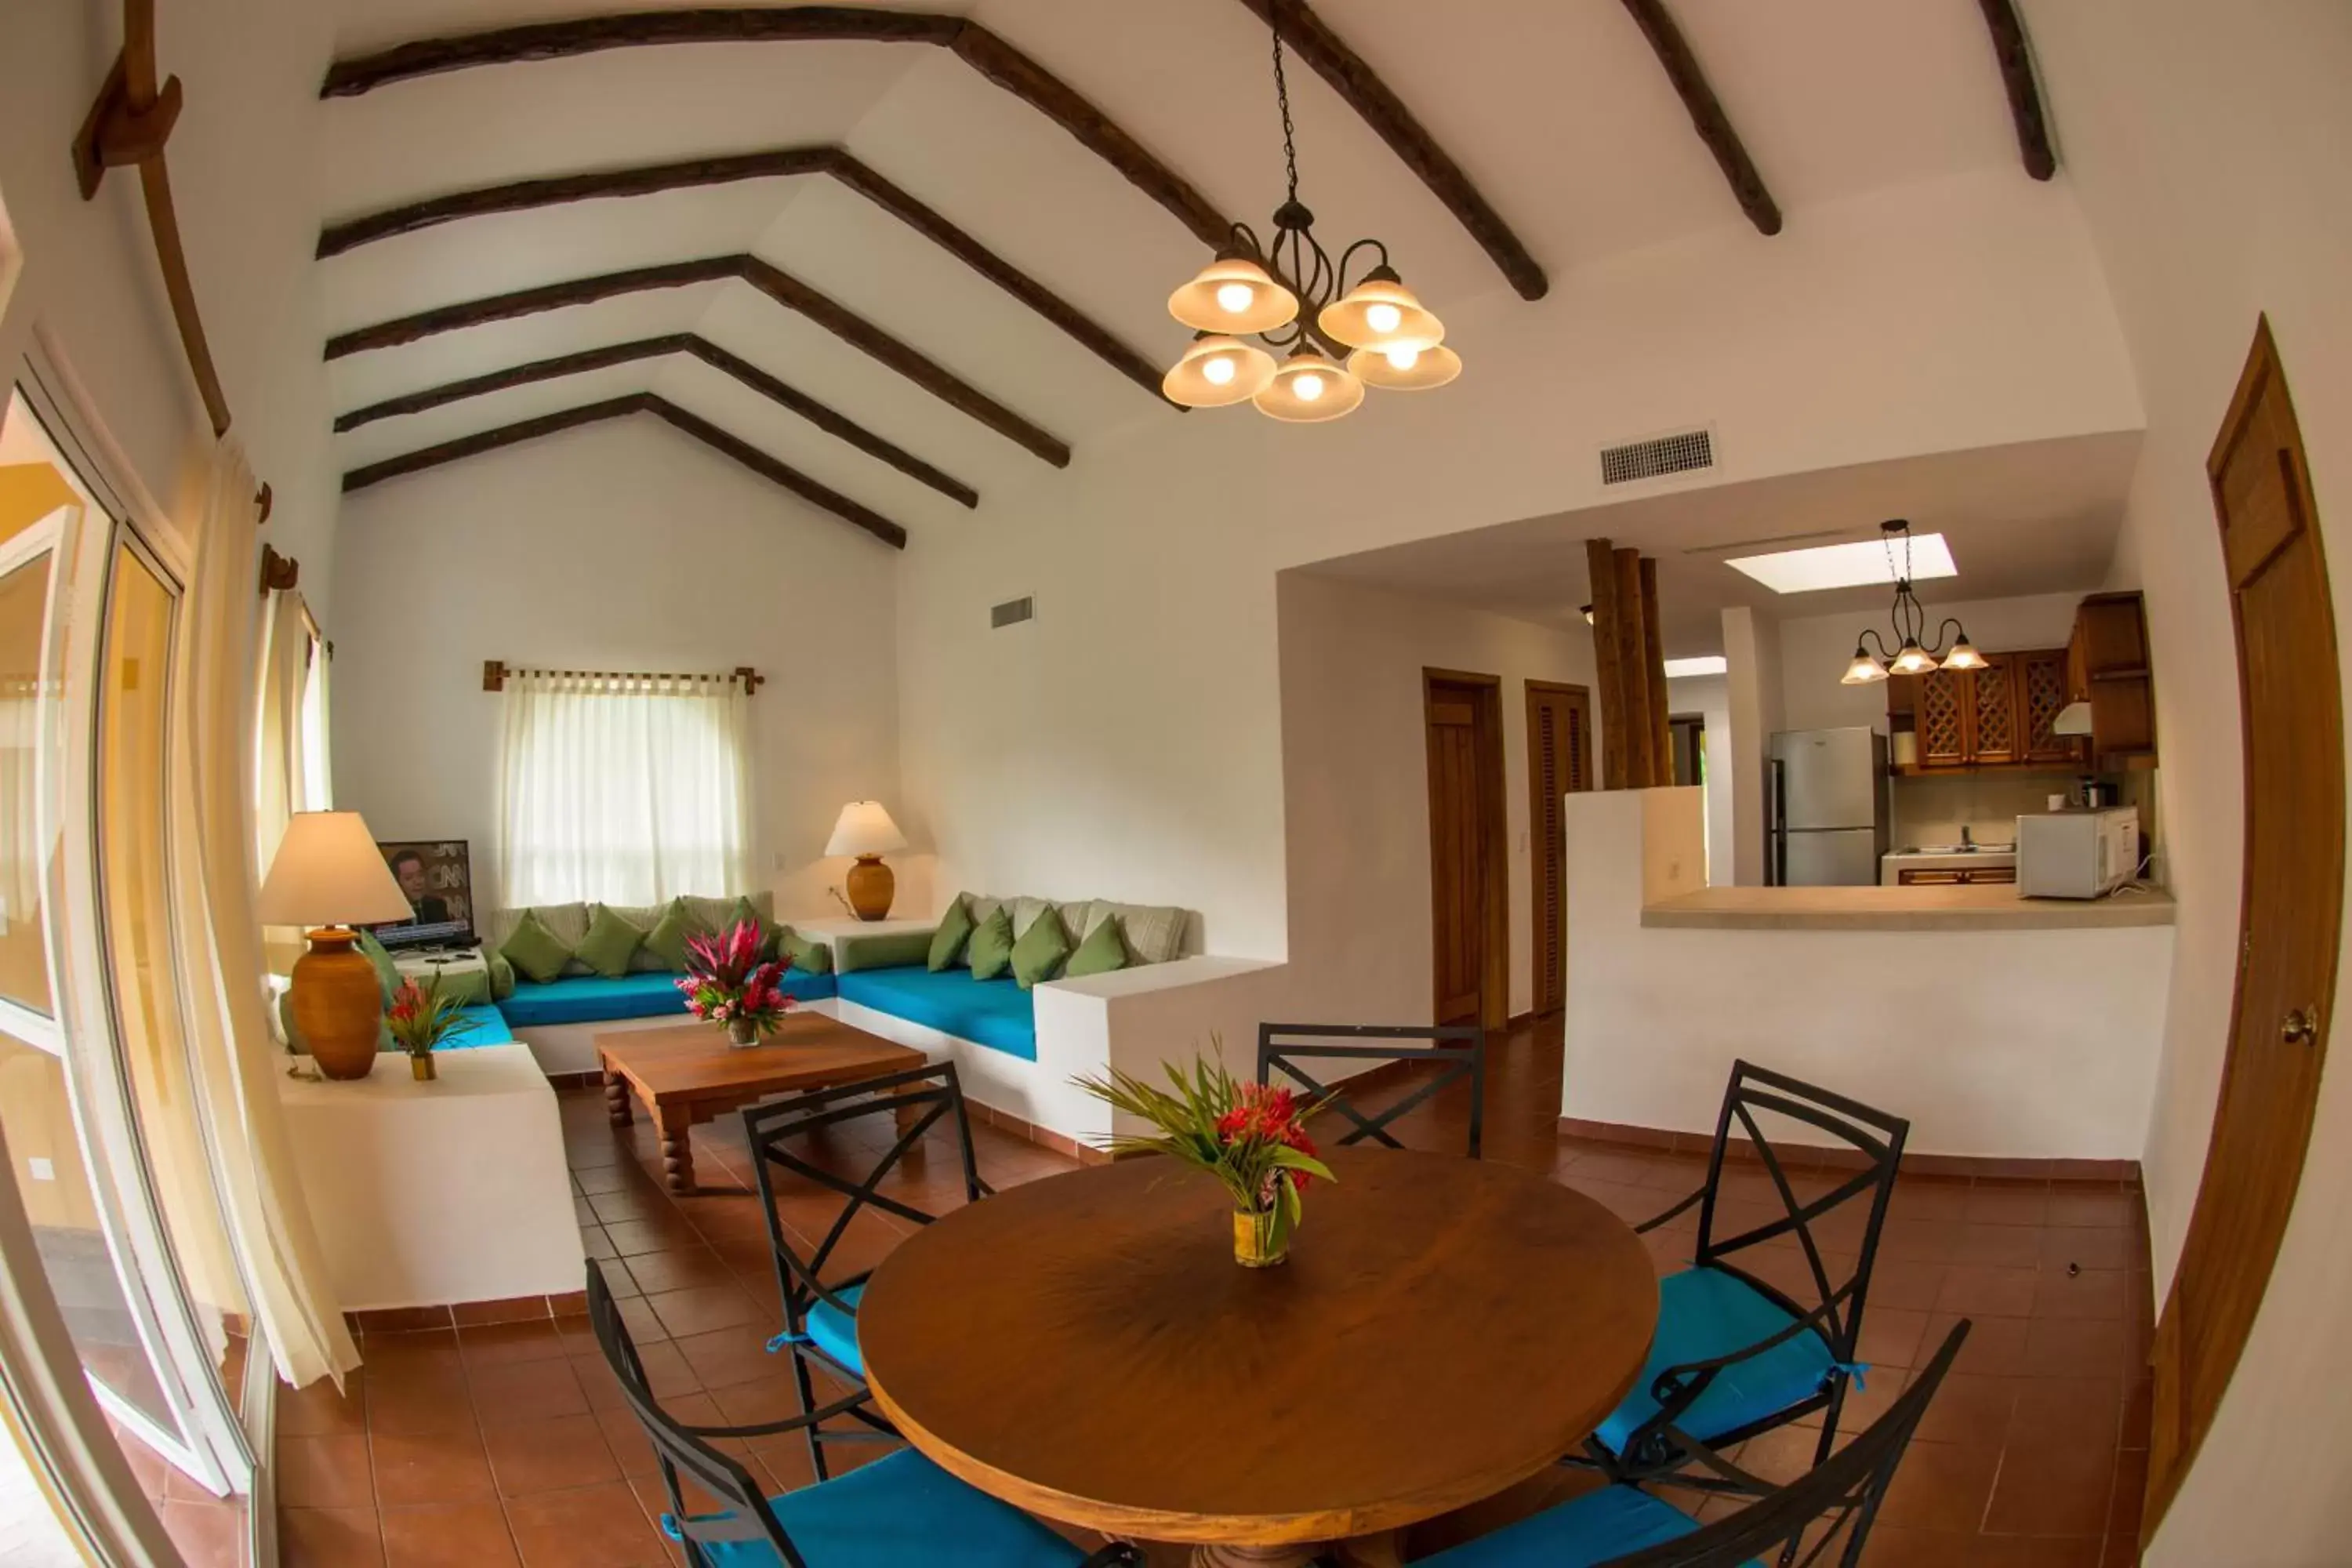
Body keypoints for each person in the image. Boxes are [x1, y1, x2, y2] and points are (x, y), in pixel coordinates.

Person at [390, 848, 451, 926]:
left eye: (420, 875)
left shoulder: (438, 905)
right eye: (409, 878)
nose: (418, 882)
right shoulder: (389, 914)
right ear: (397, 882)